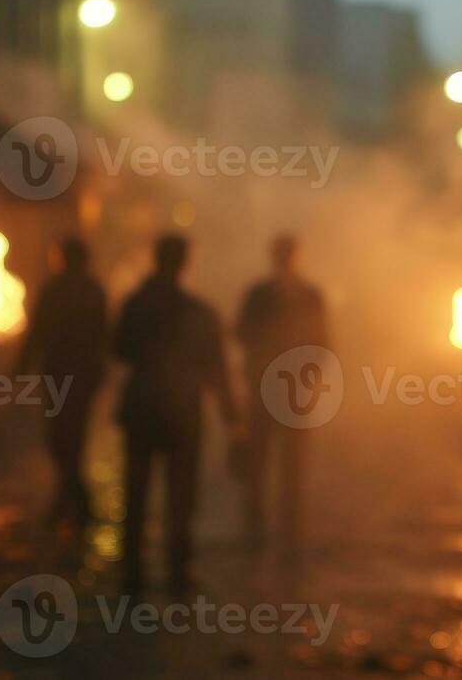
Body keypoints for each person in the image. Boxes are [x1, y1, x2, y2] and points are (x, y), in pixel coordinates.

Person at [114, 234, 237, 593]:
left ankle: (131, 574)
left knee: (135, 494)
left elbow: (120, 350)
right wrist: (233, 420)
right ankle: (177, 573)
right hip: (182, 414)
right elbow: (218, 370)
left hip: (141, 408)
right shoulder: (199, 311)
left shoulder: (135, 304)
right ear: (186, 263)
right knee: (181, 496)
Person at [236, 233, 329, 559]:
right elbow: (244, 334)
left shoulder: (307, 296)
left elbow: (322, 344)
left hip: (292, 393)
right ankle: (259, 528)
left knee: (292, 466)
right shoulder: (263, 295)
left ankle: (289, 530)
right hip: (268, 390)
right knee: (262, 463)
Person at [19, 236, 106, 525]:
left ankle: (73, 500)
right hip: (79, 376)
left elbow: (37, 332)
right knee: (69, 436)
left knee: (60, 436)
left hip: (63, 374)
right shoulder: (92, 290)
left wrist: (21, 366)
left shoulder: (55, 290)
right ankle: (72, 497)